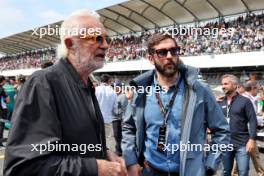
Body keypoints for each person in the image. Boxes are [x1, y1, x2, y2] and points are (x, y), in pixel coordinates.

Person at [4, 10, 126, 176]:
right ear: (70, 44)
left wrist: (105, 153)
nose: (105, 45)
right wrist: (96, 168)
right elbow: (24, 167)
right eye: (97, 38)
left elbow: (76, 141)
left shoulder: (86, 85)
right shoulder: (42, 83)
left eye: (107, 39)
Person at [122, 33, 230, 176]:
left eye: (173, 50)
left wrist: (210, 165)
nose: (169, 56)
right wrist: (130, 161)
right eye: (162, 52)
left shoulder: (199, 89)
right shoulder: (141, 91)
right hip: (149, 171)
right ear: (150, 58)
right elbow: (129, 126)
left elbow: (222, 130)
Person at [218, 74, 257, 176]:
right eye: (222, 84)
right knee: (225, 171)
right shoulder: (220, 101)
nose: (223, 86)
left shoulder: (245, 101)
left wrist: (252, 139)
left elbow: (253, 120)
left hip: (242, 143)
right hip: (225, 143)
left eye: (226, 84)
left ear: (235, 85)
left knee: (243, 172)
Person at [95, 74, 117, 151]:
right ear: (109, 81)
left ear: (101, 80)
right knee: (109, 138)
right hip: (108, 119)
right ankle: (110, 157)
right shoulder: (113, 92)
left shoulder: (95, 90)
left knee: (97, 137)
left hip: (96, 119)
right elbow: (115, 109)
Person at [112, 81, 128, 156]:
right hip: (113, 118)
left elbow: (125, 109)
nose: (115, 89)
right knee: (116, 135)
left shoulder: (123, 96)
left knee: (118, 135)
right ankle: (119, 149)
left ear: (120, 88)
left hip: (119, 119)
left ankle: (119, 150)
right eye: (114, 87)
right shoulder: (113, 95)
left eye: (117, 87)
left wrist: (123, 120)